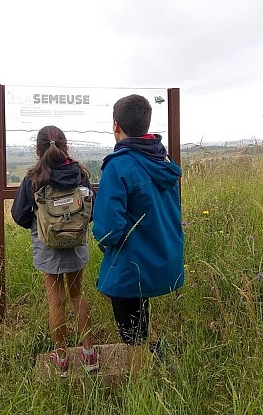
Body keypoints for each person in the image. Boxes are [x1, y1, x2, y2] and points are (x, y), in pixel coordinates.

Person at [92, 94, 184, 376]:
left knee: (131, 335)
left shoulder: (119, 166)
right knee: (136, 315)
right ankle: (161, 352)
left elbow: (108, 229)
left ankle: (139, 389)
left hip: (132, 265)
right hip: (163, 257)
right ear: (146, 125)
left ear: (115, 125)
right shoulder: (162, 159)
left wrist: (106, 242)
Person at [11, 125, 99, 377]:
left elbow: (19, 215)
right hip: (76, 245)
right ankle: (89, 354)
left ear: (37, 150)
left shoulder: (33, 179)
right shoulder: (80, 174)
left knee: (55, 301)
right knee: (77, 296)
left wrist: (43, 223)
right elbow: (89, 210)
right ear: (65, 146)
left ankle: (61, 359)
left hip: (46, 246)